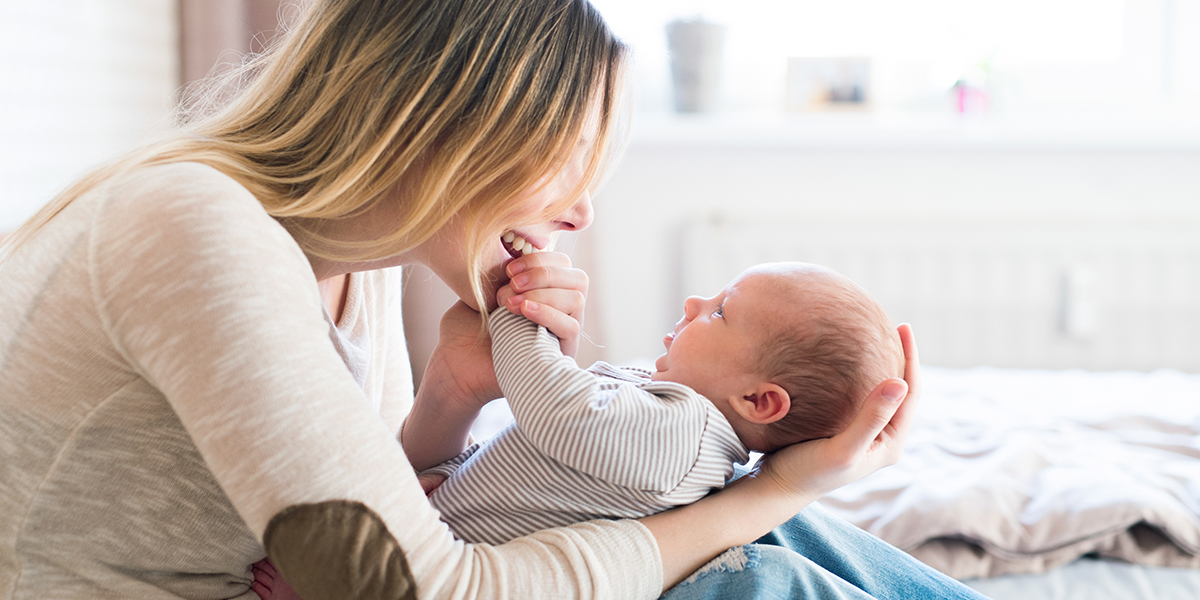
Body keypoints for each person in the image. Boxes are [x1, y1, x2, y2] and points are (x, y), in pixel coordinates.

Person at [0, 1, 980, 599]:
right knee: (749, 559)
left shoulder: (357, 261)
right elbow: (417, 586)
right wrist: (775, 489)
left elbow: (346, 510)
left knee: (759, 527)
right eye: (567, 161)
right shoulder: (196, 228)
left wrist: (450, 396)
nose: (582, 211)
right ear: (447, 126)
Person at [403, 262, 903, 545]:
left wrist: (518, 315)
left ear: (757, 400)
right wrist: (456, 472)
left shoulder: (685, 437)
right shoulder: (670, 412)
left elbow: (557, 411)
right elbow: (531, 460)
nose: (694, 304)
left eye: (720, 312)